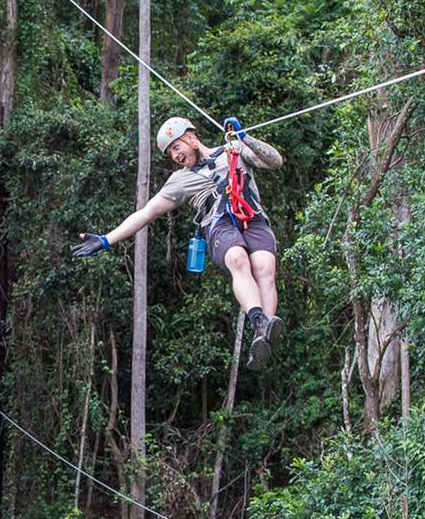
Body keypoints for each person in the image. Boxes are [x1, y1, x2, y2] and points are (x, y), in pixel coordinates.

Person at [71, 116, 286, 371]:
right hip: (220, 225)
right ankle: (260, 321)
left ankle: (264, 339)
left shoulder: (234, 150)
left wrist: (245, 138)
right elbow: (146, 213)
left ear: (191, 138)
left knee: (264, 267)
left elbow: (275, 161)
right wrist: (106, 239)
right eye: (170, 153)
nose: (175, 156)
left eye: (176, 147)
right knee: (237, 258)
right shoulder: (179, 181)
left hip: (253, 218)